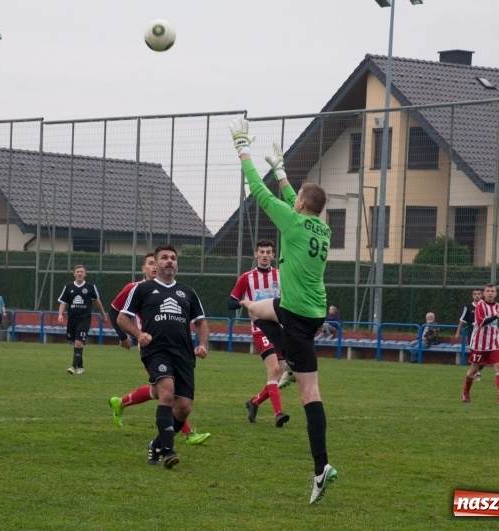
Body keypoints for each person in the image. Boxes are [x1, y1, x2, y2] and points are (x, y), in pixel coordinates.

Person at [230, 118, 337, 505]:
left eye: (296, 199)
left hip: (298, 315)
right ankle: (287, 357)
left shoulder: (292, 220)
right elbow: (298, 196)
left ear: (301, 206)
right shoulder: (321, 229)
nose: (292, 201)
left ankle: (321, 467)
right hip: (305, 308)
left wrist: (243, 149)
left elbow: (257, 191)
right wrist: (281, 170)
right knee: (256, 310)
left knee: (310, 393)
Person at [117, 244, 209, 469]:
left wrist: (203, 344)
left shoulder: (187, 291)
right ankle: (168, 451)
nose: (170, 261)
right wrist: (139, 334)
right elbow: (122, 318)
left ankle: (156, 444)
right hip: (156, 351)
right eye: (165, 258)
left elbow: (201, 323)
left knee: (184, 407)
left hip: (184, 354)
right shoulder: (143, 289)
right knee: (166, 390)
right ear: (155, 264)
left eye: (173, 258)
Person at [228, 238, 289, 427]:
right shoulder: (247, 277)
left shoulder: (281, 276)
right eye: (261, 252)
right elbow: (230, 302)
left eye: (268, 252)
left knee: (280, 371)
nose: (264, 255)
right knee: (273, 370)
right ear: (255, 254)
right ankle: (278, 413)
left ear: (273, 255)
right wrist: (246, 303)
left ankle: (254, 402)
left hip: (280, 329)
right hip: (260, 329)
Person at [461, 283, 499, 406]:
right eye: (488, 291)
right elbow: (481, 323)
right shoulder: (480, 305)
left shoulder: (497, 305)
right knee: (474, 369)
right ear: (484, 294)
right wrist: (497, 316)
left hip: (494, 342)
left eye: (492, 291)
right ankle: (466, 392)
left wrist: (496, 317)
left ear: (495, 294)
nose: (490, 293)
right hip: (479, 343)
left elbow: (492, 323)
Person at [57, 265, 108, 375]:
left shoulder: (90, 287)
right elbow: (63, 302)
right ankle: (80, 366)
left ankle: (73, 366)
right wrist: (60, 314)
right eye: (77, 271)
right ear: (74, 274)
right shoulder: (68, 287)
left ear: (85, 274)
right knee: (76, 343)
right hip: (72, 319)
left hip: (84, 319)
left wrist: (103, 314)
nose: (79, 273)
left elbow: (97, 301)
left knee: (79, 343)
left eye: (81, 271)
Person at [455, 289, 483, 380]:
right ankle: (476, 372)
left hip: (484, 332)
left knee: (484, 353)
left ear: (482, 295)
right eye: (475, 294)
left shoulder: (485, 306)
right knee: (474, 352)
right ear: (472, 296)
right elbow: (462, 321)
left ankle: (477, 370)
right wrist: (458, 332)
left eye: (479, 294)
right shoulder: (468, 307)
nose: (477, 296)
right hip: (472, 332)